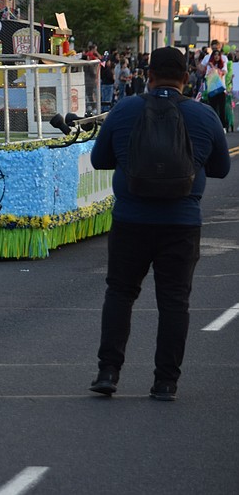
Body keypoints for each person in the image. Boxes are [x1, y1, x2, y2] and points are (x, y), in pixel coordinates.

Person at [89, 46, 230, 400]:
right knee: (174, 302)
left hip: (130, 220)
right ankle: (166, 381)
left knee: (120, 293)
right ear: (186, 78)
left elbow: (100, 159)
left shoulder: (124, 109)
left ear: (148, 76)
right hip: (181, 223)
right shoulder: (204, 116)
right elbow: (221, 169)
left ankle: (108, 371)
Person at [82, 42, 101, 115]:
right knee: (91, 94)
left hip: (89, 80)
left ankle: (90, 107)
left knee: (89, 94)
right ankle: (93, 107)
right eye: (95, 49)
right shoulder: (90, 56)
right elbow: (101, 60)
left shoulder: (89, 55)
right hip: (90, 80)